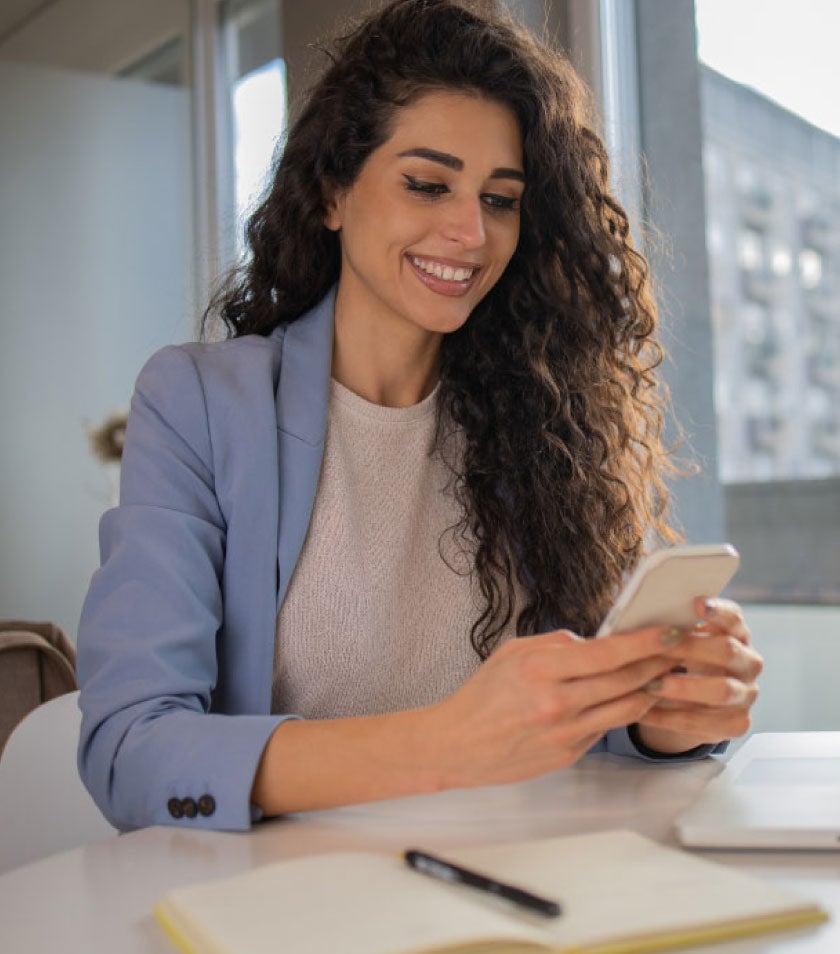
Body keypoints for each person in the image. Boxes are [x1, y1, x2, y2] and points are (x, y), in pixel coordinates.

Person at [77, 0, 762, 832]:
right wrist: (447, 745)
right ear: (333, 190)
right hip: (289, 901)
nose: (470, 232)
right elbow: (132, 750)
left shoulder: (541, 421)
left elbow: (579, 733)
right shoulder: (198, 404)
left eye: (501, 199)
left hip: (520, 877)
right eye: (427, 184)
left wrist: (659, 716)